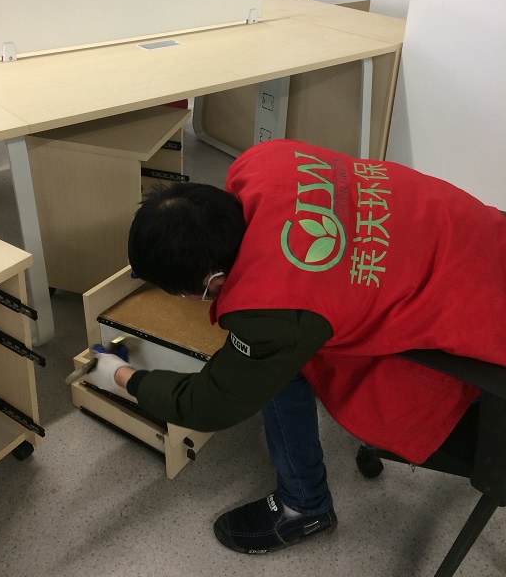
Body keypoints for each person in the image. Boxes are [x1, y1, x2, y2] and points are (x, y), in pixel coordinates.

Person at [85, 139, 506, 556]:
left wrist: (122, 376)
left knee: (279, 374)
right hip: (481, 237)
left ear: (213, 281)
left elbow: (208, 405)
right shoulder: (263, 160)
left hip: (489, 315)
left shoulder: (272, 314)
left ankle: (303, 507)